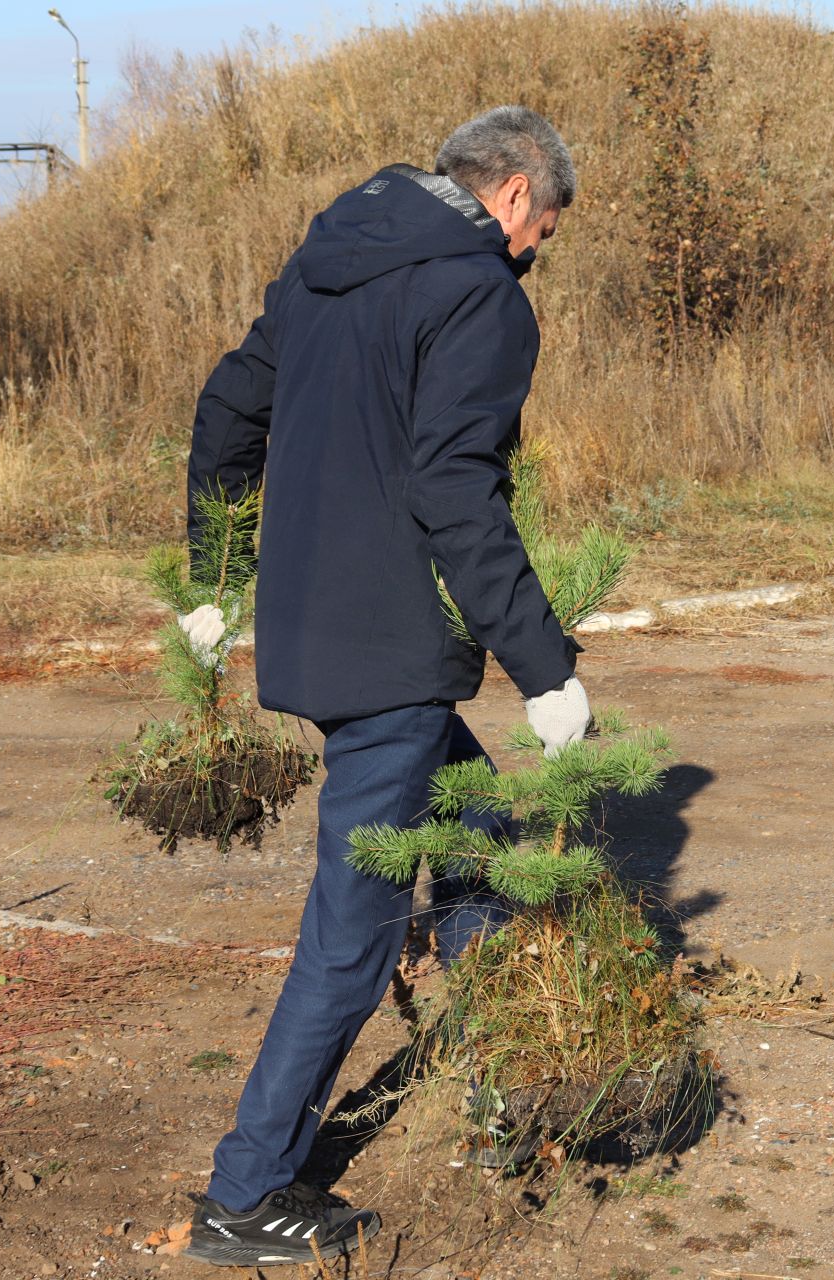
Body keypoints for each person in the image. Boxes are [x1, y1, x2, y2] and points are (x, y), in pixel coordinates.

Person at [176, 106, 591, 1268]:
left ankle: (515, 1091)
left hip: (307, 635)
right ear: (512, 197)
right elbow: (457, 487)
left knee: (475, 833)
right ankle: (245, 1194)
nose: (535, 254)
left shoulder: (322, 267)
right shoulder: (479, 295)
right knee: (353, 940)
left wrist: (213, 583)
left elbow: (225, 413)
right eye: (543, 231)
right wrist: (546, 669)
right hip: (390, 652)